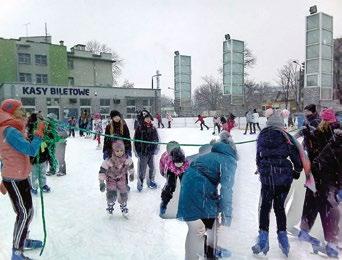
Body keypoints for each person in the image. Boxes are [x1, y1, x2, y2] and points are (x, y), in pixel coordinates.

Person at [177, 131, 238, 259]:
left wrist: (219, 207)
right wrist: (227, 216)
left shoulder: (212, 154)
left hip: (190, 184)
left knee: (206, 225)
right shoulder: (229, 159)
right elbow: (227, 190)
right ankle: (207, 254)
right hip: (198, 188)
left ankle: (209, 253)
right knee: (201, 227)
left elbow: (190, 161)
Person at [252, 109, 303, 257]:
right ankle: (283, 238)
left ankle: (263, 237)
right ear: (281, 125)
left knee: (265, 207)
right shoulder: (286, 136)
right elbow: (296, 157)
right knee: (279, 208)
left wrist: (262, 169)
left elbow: (258, 157)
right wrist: (297, 171)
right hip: (283, 178)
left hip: (268, 178)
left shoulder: (261, 136)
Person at [0, 99, 45, 259]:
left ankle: (23, 239)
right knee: (24, 213)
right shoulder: (10, 131)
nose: (23, 111)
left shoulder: (12, 127)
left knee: (28, 212)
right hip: (14, 178)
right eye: (20, 109)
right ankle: (17, 252)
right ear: (12, 112)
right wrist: (39, 134)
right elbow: (30, 150)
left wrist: (34, 124)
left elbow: (10, 152)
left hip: (19, 176)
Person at [297, 108, 341, 257]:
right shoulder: (332, 134)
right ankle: (332, 244)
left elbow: (310, 149)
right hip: (327, 176)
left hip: (316, 173)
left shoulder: (320, 133)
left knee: (312, 202)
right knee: (328, 208)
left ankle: (304, 230)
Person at [98, 140, 134, 216]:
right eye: (117, 151)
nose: (120, 152)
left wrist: (132, 174)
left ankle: (124, 206)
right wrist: (101, 182)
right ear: (113, 151)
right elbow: (102, 171)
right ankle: (110, 206)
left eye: (121, 150)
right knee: (111, 193)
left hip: (122, 178)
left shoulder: (126, 158)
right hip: (111, 179)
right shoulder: (109, 160)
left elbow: (131, 165)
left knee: (123, 192)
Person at [133, 112, 159, 191]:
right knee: (142, 169)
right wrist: (137, 151)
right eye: (146, 118)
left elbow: (156, 139)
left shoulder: (153, 128)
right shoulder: (140, 128)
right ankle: (140, 182)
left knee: (152, 167)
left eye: (149, 118)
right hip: (143, 152)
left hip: (151, 152)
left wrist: (155, 148)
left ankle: (151, 181)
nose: (148, 119)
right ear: (144, 119)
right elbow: (135, 140)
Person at [160, 147, 189, 216]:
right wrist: (163, 172)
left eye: (180, 163)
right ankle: (164, 203)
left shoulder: (186, 163)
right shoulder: (168, 161)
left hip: (182, 171)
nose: (179, 165)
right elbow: (162, 165)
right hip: (171, 171)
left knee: (186, 186)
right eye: (177, 163)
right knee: (170, 185)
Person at [27, 113, 52, 194]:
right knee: (34, 174)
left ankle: (43, 185)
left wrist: (47, 156)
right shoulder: (29, 132)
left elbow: (47, 142)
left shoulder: (44, 131)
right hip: (34, 157)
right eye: (39, 120)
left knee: (42, 172)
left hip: (43, 156)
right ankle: (34, 187)